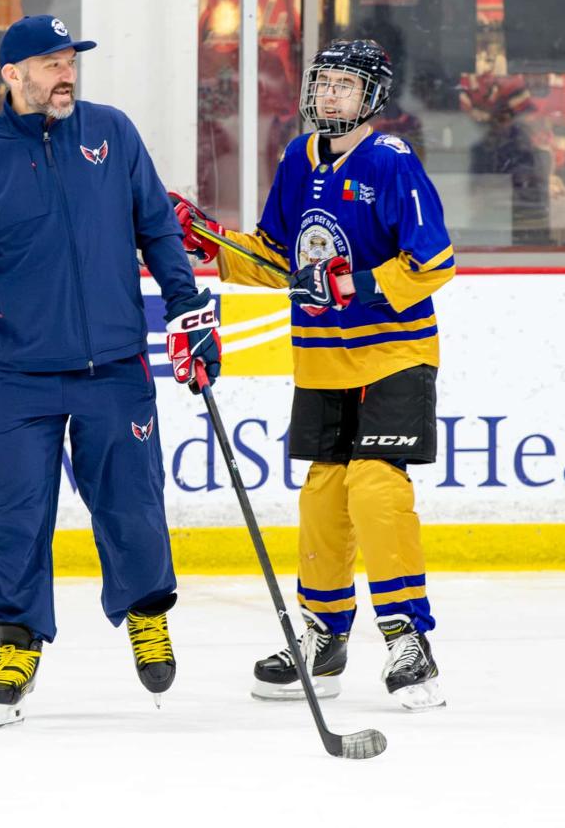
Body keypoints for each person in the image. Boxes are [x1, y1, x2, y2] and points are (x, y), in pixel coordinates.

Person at [0, 15, 221, 728]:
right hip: (20, 376)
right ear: (12, 76)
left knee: (132, 506)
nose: (66, 74)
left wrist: (187, 309)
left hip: (115, 365)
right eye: (50, 63)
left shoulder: (112, 133)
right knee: (16, 517)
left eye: (70, 61)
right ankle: (15, 643)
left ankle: (146, 612)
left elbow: (155, 224)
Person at [172, 39, 455, 710]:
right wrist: (210, 239)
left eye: (344, 85)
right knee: (324, 496)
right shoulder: (298, 158)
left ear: (372, 97)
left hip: (394, 353)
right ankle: (324, 638)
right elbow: (276, 259)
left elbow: (434, 259)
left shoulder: (391, 162)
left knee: (376, 487)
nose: (329, 94)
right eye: (323, 82)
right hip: (322, 357)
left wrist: (353, 284)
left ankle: (408, 638)